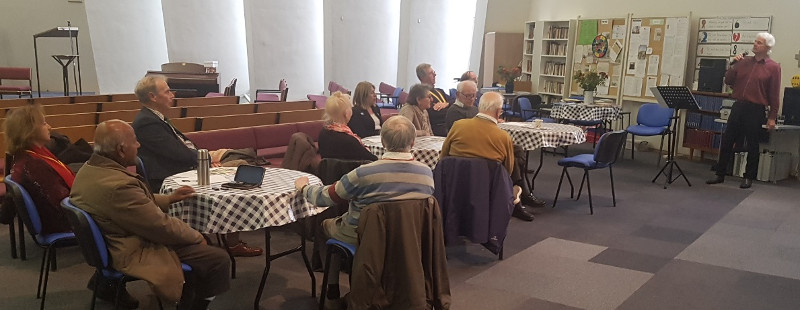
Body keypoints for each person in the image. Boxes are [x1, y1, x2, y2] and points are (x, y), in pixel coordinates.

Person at [70, 120, 231, 310]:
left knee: (193, 238)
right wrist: (197, 236)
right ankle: (193, 305)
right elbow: (159, 226)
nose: (138, 145)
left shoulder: (90, 170)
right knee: (217, 258)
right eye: (135, 141)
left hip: (112, 239)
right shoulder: (119, 186)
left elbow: (132, 204)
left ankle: (106, 285)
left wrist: (169, 199)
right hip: (130, 248)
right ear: (121, 149)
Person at [3, 105, 140, 309]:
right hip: (61, 221)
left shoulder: (35, 154)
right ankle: (110, 282)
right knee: (123, 221)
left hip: (61, 212)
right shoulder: (33, 164)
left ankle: (104, 280)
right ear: (29, 130)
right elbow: (60, 204)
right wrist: (97, 203)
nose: (48, 126)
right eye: (43, 123)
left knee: (117, 210)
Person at [294, 116, 434, 308]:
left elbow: (324, 198)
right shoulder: (427, 174)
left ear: (383, 142)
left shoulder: (363, 174)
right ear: (413, 141)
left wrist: (303, 188)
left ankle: (333, 290)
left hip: (363, 237)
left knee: (324, 226)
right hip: (409, 238)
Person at [132, 75, 263, 257]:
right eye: (167, 91)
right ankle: (231, 241)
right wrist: (205, 160)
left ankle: (230, 237)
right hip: (171, 176)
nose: (172, 94)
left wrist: (204, 158)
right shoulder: (147, 122)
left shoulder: (156, 118)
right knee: (237, 168)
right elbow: (177, 154)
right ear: (153, 97)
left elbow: (183, 147)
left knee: (239, 164)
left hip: (186, 166)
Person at [440, 92, 540, 221]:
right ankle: (518, 196)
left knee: (517, 152)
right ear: (499, 111)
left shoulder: (457, 126)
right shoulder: (503, 137)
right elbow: (508, 170)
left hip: (456, 182)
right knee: (516, 157)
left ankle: (520, 197)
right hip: (487, 185)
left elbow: (443, 156)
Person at [707, 32, 781, 189]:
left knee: (752, 144)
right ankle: (720, 174)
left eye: (759, 43)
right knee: (727, 140)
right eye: (755, 41)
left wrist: (772, 116)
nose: (755, 44)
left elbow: (774, 94)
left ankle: (749, 177)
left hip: (756, 109)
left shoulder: (773, 67)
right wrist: (733, 64)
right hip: (739, 105)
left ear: (768, 47)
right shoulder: (744, 62)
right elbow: (729, 81)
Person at [318, 91, 379, 161]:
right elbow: (373, 160)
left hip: (329, 170)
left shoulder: (323, 133)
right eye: (351, 108)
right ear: (347, 113)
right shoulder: (350, 141)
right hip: (352, 171)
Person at [416, 63, 452, 136]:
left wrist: (446, 104)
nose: (435, 75)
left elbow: (455, 100)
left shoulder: (439, 91)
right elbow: (433, 113)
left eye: (434, 72)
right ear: (423, 77)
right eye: (431, 73)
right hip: (437, 128)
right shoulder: (421, 94)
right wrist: (451, 108)